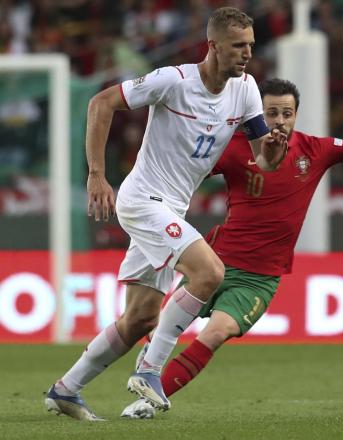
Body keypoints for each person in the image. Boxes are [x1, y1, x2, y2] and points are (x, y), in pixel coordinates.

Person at [121, 78, 343, 418]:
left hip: (259, 278)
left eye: (287, 113)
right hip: (213, 261)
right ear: (257, 114)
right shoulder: (235, 147)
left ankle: (147, 403)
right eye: (271, 113)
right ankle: (136, 374)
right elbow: (182, 172)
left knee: (217, 332)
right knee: (163, 324)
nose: (279, 120)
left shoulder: (316, 149)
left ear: (296, 114)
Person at [45, 7, 287, 421]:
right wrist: (97, 174)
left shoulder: (246, 89)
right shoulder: (172, 81)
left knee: (140, 318)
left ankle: (66, 389)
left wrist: (274, 148)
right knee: (209, 273)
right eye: (237, 46)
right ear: (213, 46)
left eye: (250, 45)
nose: (247, 53)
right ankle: (149, 370)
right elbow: (101, 103)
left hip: (172, 208)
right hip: (142, 200)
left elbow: (264, 160)